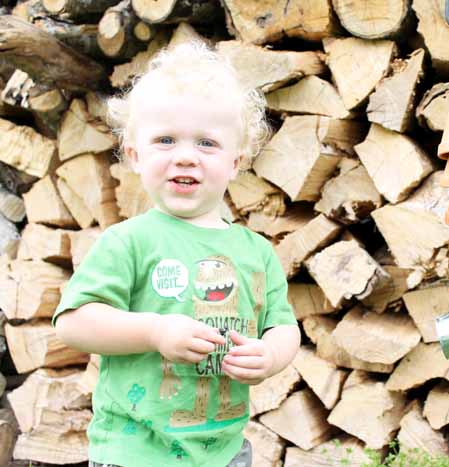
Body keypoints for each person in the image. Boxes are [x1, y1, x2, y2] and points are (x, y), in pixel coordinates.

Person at [53, 39, 301, 467]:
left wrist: (271, 355)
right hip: (134, 450)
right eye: (165, 140)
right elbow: (74, 324)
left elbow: (283, 326)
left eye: (206, 144)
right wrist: (155, 332)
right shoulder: (128, 242)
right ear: (135, 154)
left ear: (236, 162)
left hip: (223, 451)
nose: (186, 157)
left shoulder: (256, 252)